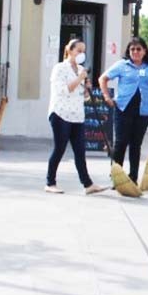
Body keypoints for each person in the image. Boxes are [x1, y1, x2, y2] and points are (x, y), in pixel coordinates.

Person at [45, 38, 107, 195]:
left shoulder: (80, 69)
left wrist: (86, 89)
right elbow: (64, 90)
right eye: (79, 50)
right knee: (59, 148)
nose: (82, 54)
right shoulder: (59, 68)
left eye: (83, 51)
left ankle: (88, 184)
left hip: (77, 115)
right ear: (70, 50)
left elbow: (82, 96)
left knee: (80, 151)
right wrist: (80, 79)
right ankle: (50, 182)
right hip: (60, 113)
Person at [98, 37, 148, 185]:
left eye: (139, 49)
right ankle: (116, 176)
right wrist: (107, 96)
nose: (135, 52)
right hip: (123, 108)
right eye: (132, 49)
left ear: (145, 51)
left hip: (143, 110)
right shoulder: (122, 65)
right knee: (121, 143)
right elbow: (103, 79)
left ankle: (133, 177)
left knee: (136, 144)